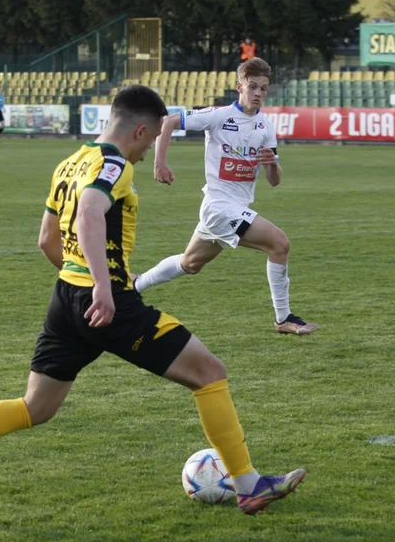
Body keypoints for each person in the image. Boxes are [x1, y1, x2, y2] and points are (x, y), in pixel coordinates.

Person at [0, 85, 306, 515]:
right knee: (209, 373)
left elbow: (46, 240)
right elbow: (90, 212)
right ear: (139, 131)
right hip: (106, 302)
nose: (147, 150)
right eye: (150, 141)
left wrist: (83, 278)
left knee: (35, 406)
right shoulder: (115, 164)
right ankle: (248, 485)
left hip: (66, 299)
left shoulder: (70, 162)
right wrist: (103, 284)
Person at [134, 58, 320, 336]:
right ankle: (284, 318)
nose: (258, 93)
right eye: (253, 86)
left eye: (264, 89)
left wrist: (271, 164)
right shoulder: (220, 116)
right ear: (239, 87)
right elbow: (170, 121)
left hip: (232, 209)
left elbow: (274, 181)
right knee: (279, 244)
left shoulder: (265, 127)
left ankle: (135, 286)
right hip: (219, 207)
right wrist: (159, 162)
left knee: (190, 264)